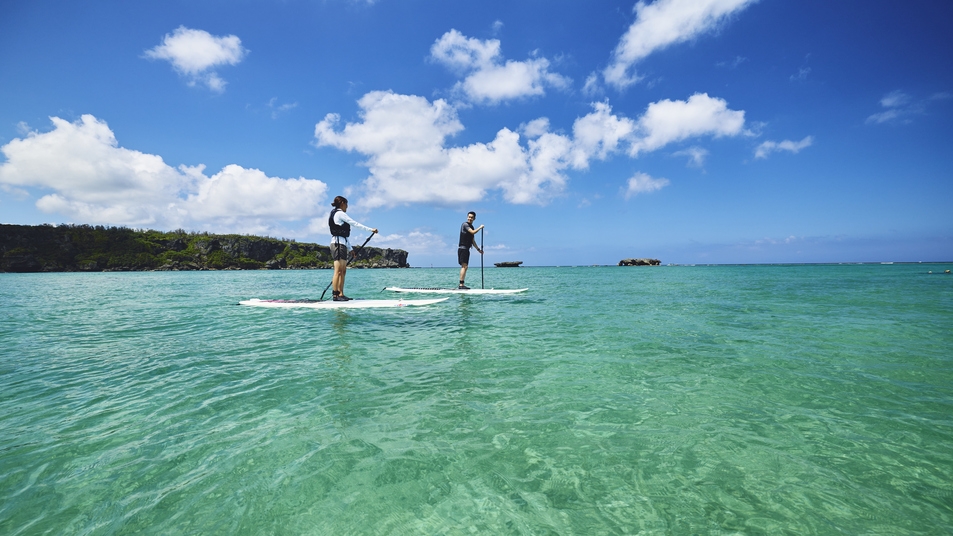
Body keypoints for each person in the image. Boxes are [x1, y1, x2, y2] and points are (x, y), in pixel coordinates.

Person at [329, 196, 377, 301]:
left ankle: (341, 294)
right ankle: (335, 295)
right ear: (342, 203)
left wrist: (350, 249)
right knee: (338, 270)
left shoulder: (339, 214)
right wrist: (370, 229)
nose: (347, 206)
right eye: (346, 204)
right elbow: (354, 223)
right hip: (337, 244)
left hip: (342, 244)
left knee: (343, 270)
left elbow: (344, 236)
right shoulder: (339, 213)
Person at [457, 211, 484, 289]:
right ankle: (461, 285)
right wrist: (480, 227)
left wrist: (478, 249)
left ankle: (461, 284)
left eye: (472, 217)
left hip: (466, 249)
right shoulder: (465, 225)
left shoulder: (471, 227)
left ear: (474, 218)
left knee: (465, 266)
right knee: (464, 266)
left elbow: (472, 240)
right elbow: (473, 232)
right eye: (469, 217)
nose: (470, 218)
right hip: (462, 248)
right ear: (467, 217)